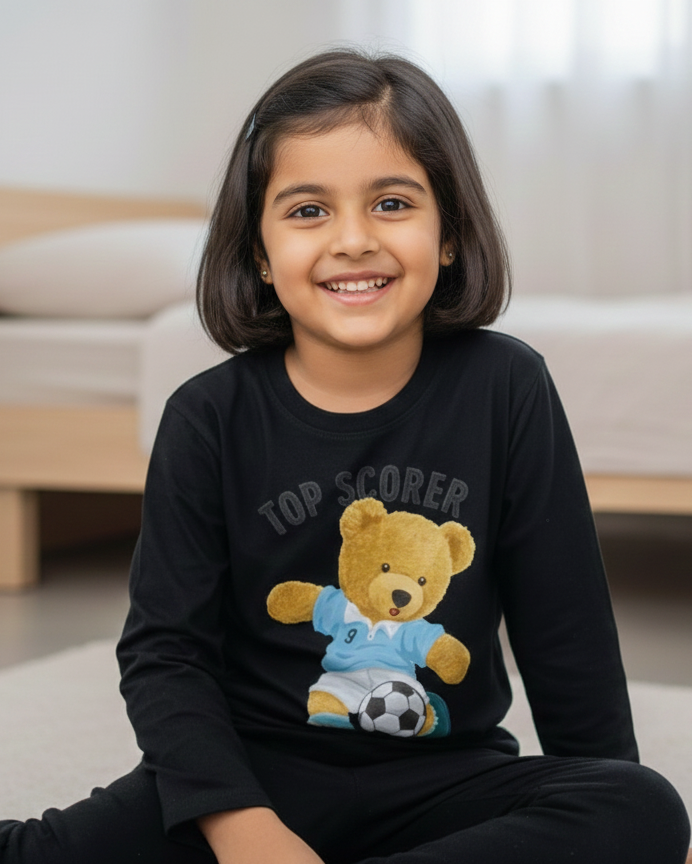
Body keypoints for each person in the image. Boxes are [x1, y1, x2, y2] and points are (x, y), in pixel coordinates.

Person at [1, 49, 690, 864]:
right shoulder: (206, 417)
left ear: (450, 236)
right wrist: (245, 831)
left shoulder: (508, 386)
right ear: (258, 251)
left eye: (392, 203)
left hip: (447, 780)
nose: (353, 241)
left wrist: (617, 828)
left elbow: (566, 632)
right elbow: (166, 654)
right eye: (307, 211)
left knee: (641, 807)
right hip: (248, 783)